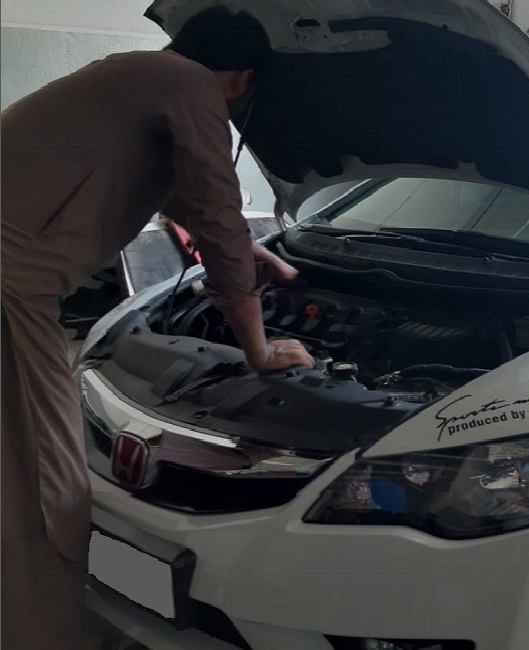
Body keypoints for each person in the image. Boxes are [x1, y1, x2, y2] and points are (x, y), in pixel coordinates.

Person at [0, 7, 314, 648]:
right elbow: (217, 203)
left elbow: (181, 200)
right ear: (241, 80)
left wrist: (252, 253)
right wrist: (258, 349)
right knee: (44, 483)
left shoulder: (127, 74)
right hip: (9, 293)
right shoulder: (191, 85)